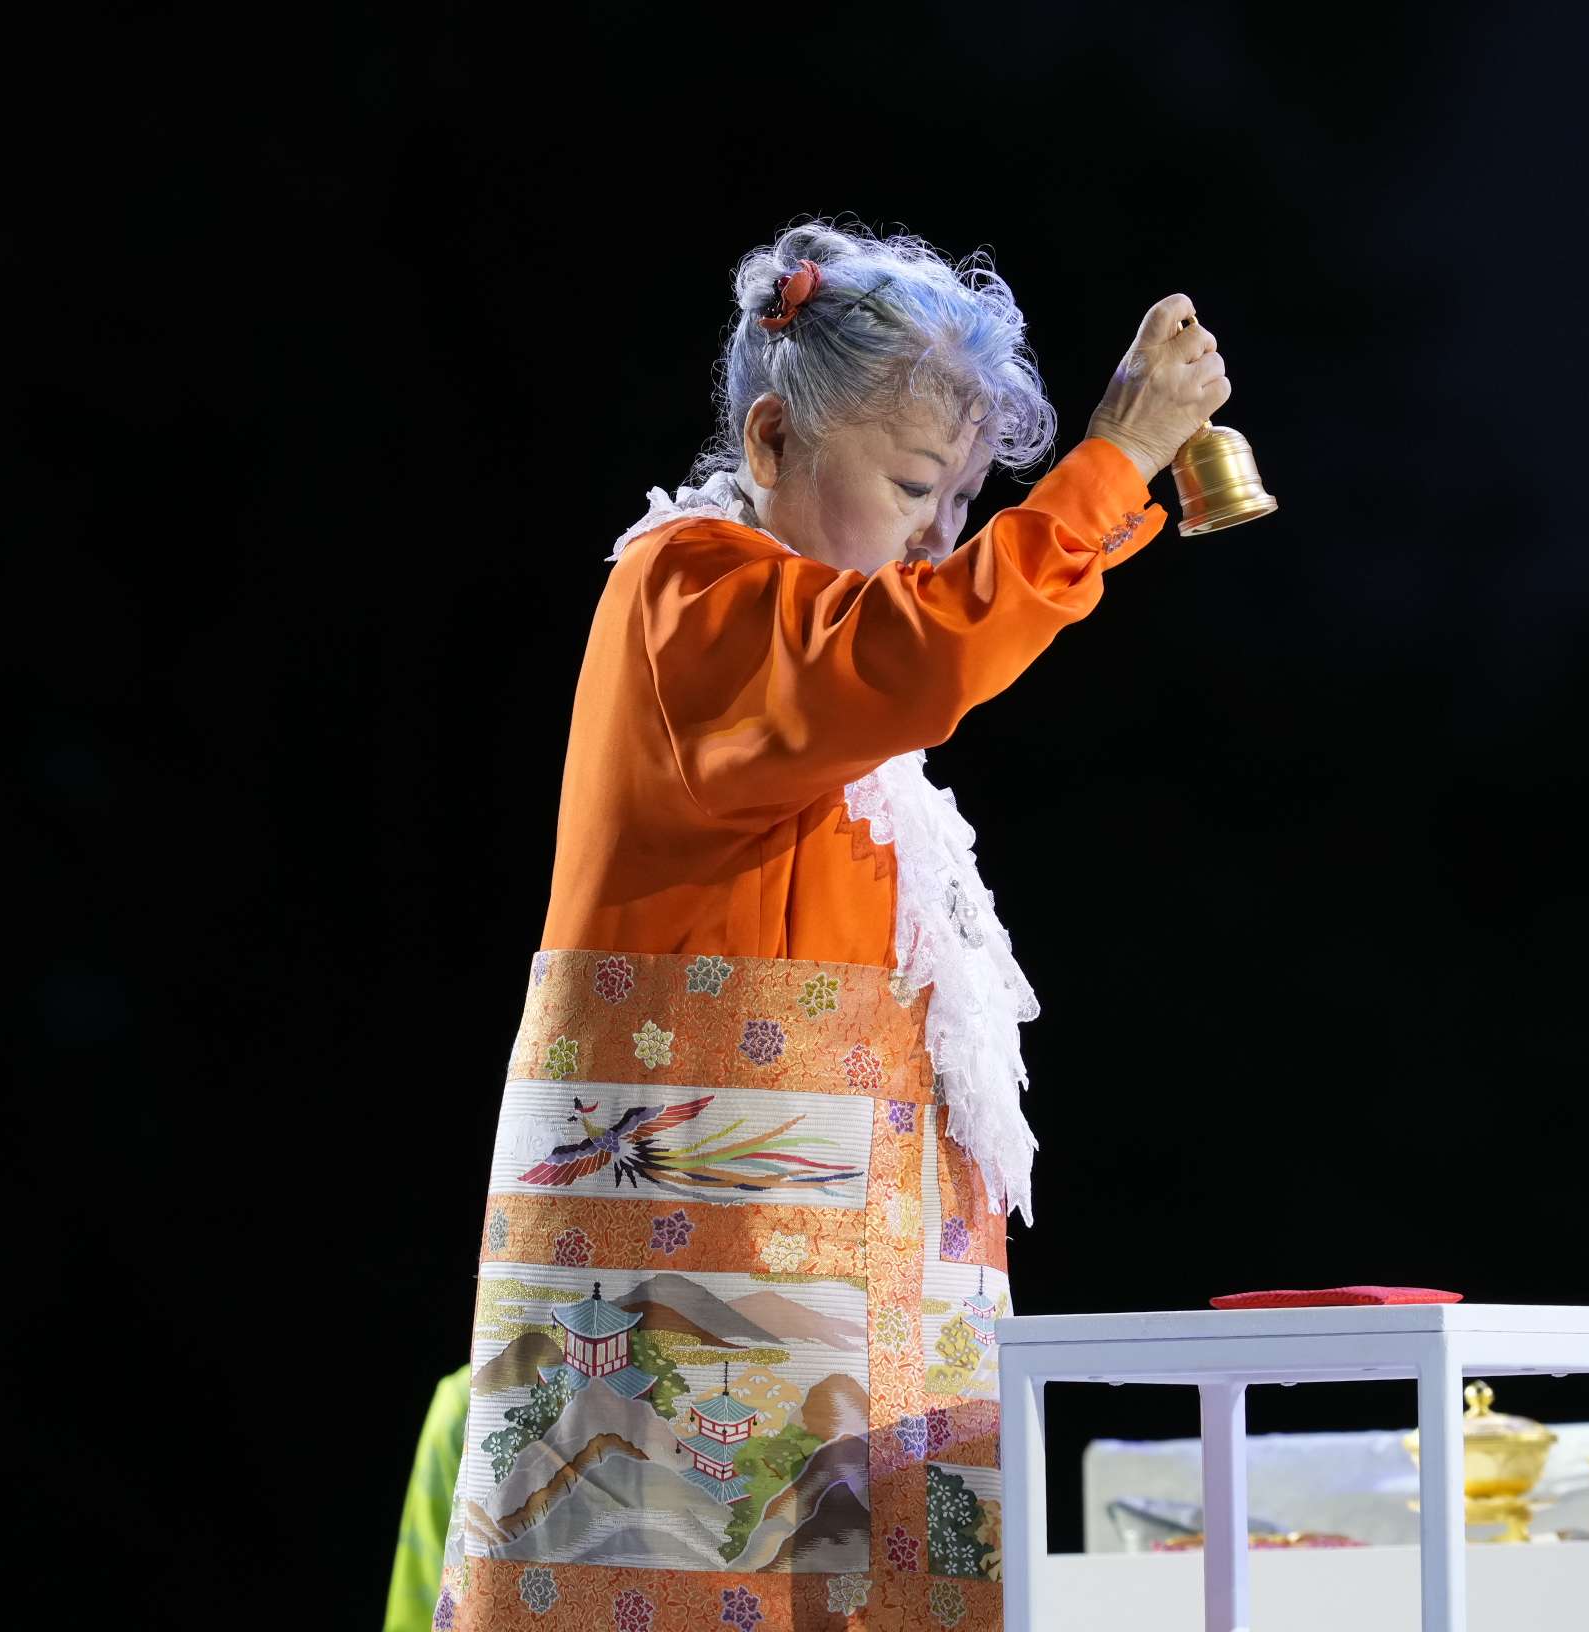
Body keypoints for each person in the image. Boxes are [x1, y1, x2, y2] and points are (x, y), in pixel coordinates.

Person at [393, 218, 1225, 1631]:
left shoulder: (831, 695)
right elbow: (923, 649)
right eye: (913, 486)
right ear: (772, 442)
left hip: (858, 1310)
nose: (936, 539)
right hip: (713, 1320)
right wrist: (1111, 468)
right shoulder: (688, 598)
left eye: (962, 501)